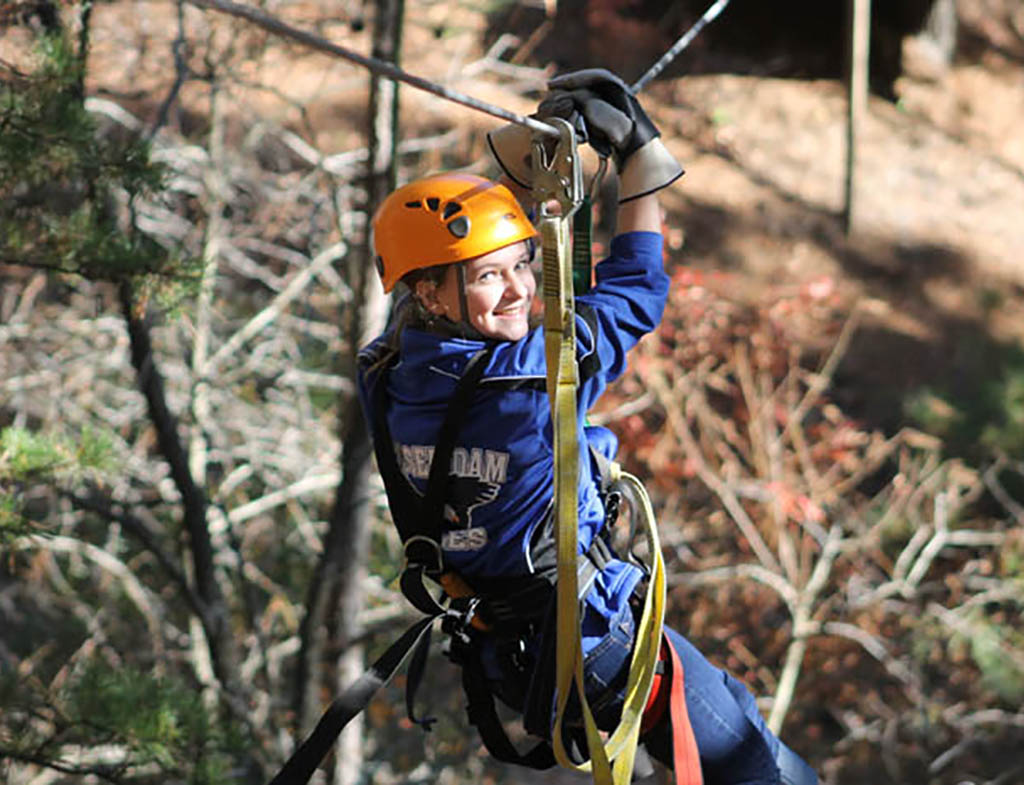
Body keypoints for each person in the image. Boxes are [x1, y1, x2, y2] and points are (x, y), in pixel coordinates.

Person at [357, 69, 818, 785]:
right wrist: (638, 163)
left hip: (506, 644)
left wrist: (539, 187)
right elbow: (637, 288)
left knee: (721, 719)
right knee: (753, 759)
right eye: (488, 277)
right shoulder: (534, 381)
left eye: (520, 266)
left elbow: (452, 295)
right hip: (590, 636)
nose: (518, 290)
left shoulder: (385, 374)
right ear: (430, 289)